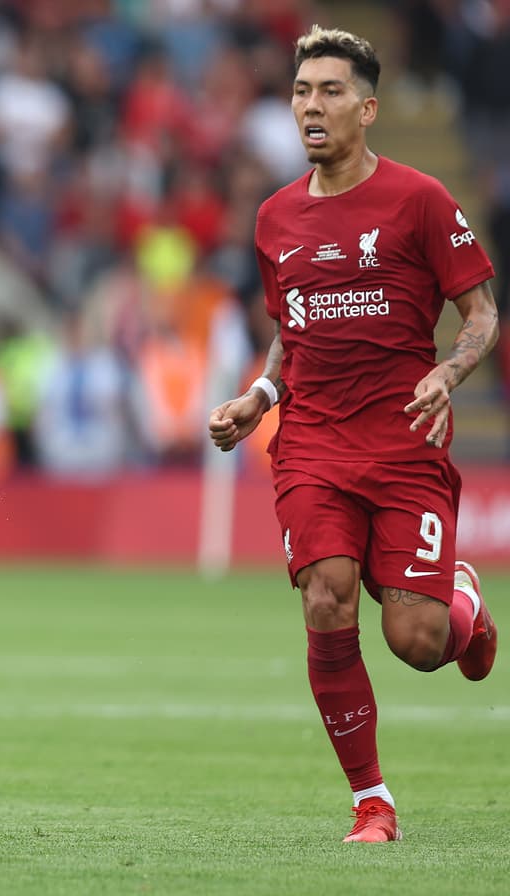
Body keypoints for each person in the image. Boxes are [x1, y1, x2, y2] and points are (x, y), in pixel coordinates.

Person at [208, 25, 499, 844]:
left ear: (366, 109)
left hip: (405, 443)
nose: (312, 106)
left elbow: (482, 313)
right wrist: (261, 394)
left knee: (418, 640)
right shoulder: (274, 218)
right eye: (302, 91)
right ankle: (372, 802)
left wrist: (448, 372)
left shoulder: (420, 199)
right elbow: (291, 330)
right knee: (327, 596)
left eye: (330, 91)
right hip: (313, 444)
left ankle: (464, 606)